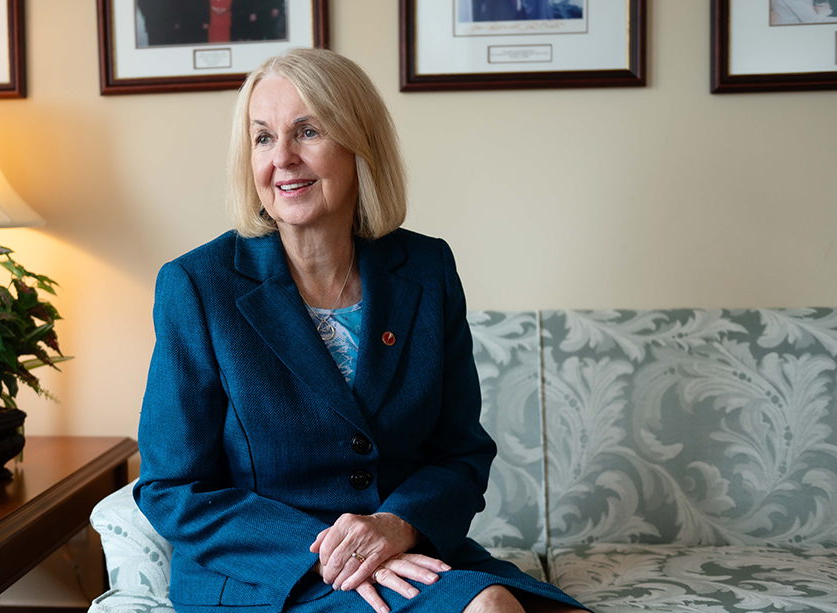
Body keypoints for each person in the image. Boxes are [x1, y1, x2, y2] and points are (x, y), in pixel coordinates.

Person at [134, 48, 588, 613]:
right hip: (269, 574)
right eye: (263, 138)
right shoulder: (197, 286)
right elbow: (172, 488)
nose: (284, 159)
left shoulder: (426, 269)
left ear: (358, 144)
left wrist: (397, 525)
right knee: (490, 607)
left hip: (408, 551)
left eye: (309, 131)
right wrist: (335, 551)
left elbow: (462, 452)